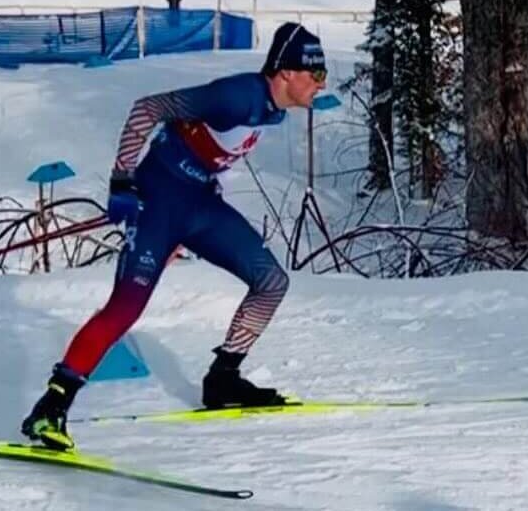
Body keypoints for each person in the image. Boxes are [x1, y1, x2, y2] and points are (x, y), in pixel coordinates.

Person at [21, 23, 330, 450]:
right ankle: (51, 406)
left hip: (198, 205)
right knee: (125, 307)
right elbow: (147, 109)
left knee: (271, 281)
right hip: (158, 206)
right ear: (287, 73)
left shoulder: (272, 109)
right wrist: (122, 180)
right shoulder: (236, 95)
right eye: (316, 74)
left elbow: (208, 149)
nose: (321, 84)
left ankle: (223, 379)